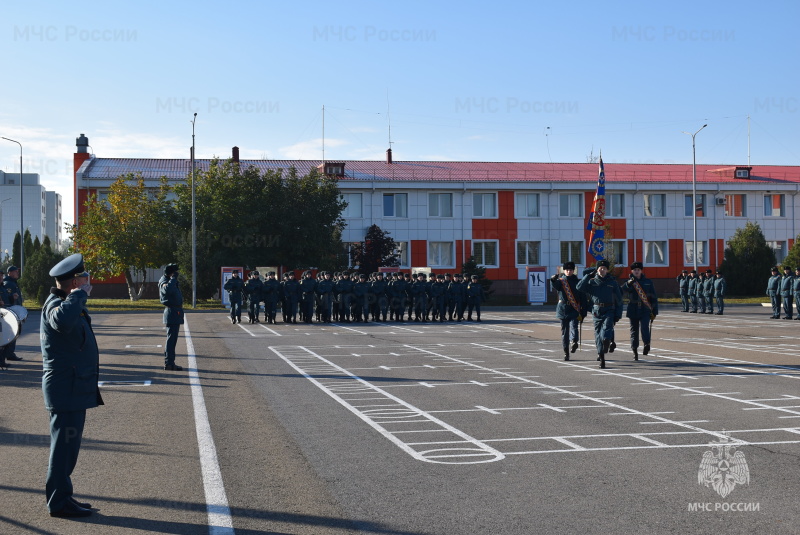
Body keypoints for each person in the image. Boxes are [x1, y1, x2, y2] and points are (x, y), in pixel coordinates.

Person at [41, 253, 102, 518]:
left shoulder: (67, 301)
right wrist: (78, 295)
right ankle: (58, 503)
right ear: (74, 281)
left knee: (69, 449)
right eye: (83, 277)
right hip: (65, 389)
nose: (88, 281)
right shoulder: (55, 304)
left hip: (74, 387)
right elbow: (62, 322)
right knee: (63, 449)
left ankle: (64, 496)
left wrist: (75, 296)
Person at [577, 260, 623, 369]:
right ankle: (601, 357)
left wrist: (618, 314)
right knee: (597, 335)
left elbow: (619, 300)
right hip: (597, 310)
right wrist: (588, 276)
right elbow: (579, 287)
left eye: (604, 268)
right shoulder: (592, 282)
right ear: (597, 270)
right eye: (600, 268)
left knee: (607, 328)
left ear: (607, 270)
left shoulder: (612, 283)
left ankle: (606, 341)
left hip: (609, 309)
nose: (602, 270)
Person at [621, 261, 659, 361]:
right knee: (634, 331)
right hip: (632, 309)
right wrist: (628, 284)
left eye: (638, 270)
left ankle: (647, 344)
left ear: (641, 270)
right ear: (632, 271)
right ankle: (634, 350)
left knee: (645, 328)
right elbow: (621, 291)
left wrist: (655, 311)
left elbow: (653, 297)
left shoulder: (648, 282)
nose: (637, 271)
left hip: (645, 309)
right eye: (635, 270)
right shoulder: (629, 282)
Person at [550, 261, 588, 361]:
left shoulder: (578, 282)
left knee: (574, 326)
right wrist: (553, 280)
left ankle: (574, 341)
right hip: (563, 309)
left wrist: (583, 311)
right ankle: (566, 352)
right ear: (564, 270)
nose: (568, 271)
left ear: (573, 270)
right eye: (567, 270)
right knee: (564, 332)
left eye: (570, 270)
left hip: (574, 309)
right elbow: (555, 285)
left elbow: (582, 297)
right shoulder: (561, 281)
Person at [159, 263, 184, 371]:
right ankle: (169, 363)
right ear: (171, 273)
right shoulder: (164, 282)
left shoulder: (169, 280)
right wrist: (173, 279)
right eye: (175, 272)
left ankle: (171, 362)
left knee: (173, 340)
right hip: (171, 311)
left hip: (175, 311)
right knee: (171, 339)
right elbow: (167, 290)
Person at [1, 265, 24, 362]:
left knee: (14, 333)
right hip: (8, 312)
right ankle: (7, 354)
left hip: (12, 311)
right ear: (10, 272)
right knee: (11, 334)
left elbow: (8, 297)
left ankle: (8, 354)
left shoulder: (11, 283)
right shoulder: (8, 283)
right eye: (15, 271)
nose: (17, 273)